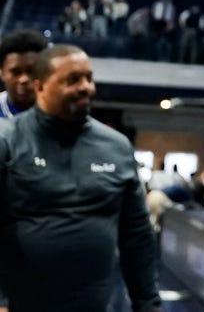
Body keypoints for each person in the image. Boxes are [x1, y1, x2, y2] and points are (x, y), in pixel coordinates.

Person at [0, 44, 161, 311]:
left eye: (89, 77)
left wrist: (148, 304)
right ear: (40, 87)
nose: (86, 87)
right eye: (73, 80)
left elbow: (136, 236)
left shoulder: (116, 146)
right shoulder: (8, 140)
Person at [0, 29, 46, 120]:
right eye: (16, 72)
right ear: (2, 73)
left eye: (31, 71)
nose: (24, 79)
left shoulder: (60, 111)